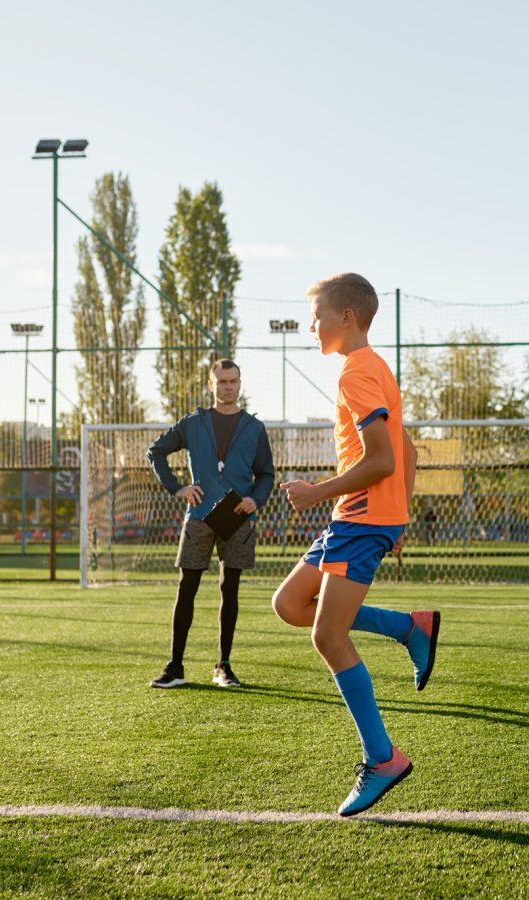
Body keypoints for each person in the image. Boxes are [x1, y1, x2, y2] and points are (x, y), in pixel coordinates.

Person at [272, 272, 439, 817]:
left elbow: (384, 460)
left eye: (316, 315)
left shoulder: (354, 374)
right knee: (289, 605)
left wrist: (317, 492)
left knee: (328, 636)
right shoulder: (375, 368)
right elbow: (407, 454)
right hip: (365, 518)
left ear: (346, 317)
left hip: (359, 519)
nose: (310, 326)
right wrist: (401, 515)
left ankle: (383, 757)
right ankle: (409, 627)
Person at [147, 359, 275, 689]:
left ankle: (224, 666)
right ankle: (175, 667)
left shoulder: (254, 428)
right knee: (186, 588)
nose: (228, 386)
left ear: (240, 383)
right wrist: (178, 488)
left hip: (237, 516)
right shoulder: (193, 423)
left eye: (233, 381)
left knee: (229, 590)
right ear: (211, 384)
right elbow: (156, 452)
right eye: (222, 381)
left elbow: (266, 475)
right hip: (199, 514)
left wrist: (255, 499)